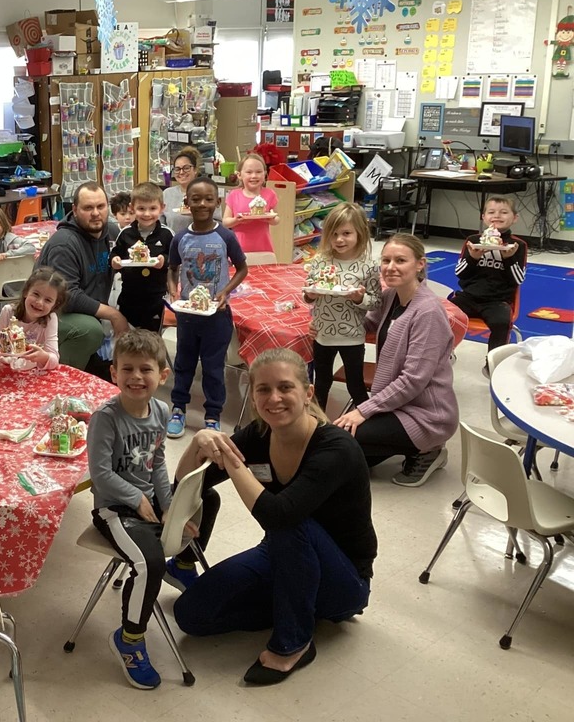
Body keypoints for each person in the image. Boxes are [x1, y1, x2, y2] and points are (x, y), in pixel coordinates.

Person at [170, 348, 376, 685]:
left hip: (344, 581)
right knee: (191, 615)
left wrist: (233, 462)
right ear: (253, 396)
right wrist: (199, 443)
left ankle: (293, 642)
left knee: (287, 523)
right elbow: (187, 484)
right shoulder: (260, 434)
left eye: (285, 387)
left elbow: (277, 516)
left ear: (307, 393)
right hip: (283, 556)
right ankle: (292, 603)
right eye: (263, 389)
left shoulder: (336, 449)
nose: (274, 398)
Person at [88, 329, 184, 690]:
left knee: (199, 503)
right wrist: (137, 500)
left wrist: (170, 507)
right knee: (148, 563)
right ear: (114, 373)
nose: (136, 377)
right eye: (127, 368)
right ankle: (128, 640)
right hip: (114, 509)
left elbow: (157, 464)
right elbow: (100, 475)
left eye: (145, 369)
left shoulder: (159, 410)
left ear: (162, 375)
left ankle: (182, 566)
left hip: (145, 501)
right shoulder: (105, 418)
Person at [333, 234, 459, 487]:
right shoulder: (391, 296)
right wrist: (330, 321)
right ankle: (391, 444)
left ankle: (427, 450)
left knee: (344, 439)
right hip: (396, 405)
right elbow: (368, 324)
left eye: (400, 260)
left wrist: (363, 411)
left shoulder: (428, 313)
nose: (390, 267)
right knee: (342, 453)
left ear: (420, 264)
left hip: (427, 415)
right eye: (386, 260)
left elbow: (413, 380)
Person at [166, 176, 248, 438]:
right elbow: (172, 268)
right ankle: (178, 408)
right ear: (186, 202)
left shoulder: (226, 235)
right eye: (196, 199)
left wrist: (224, 291)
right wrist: (172, 290)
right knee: (183, 364)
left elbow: (242, 268)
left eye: (208, 199)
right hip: (189, 316)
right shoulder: (180, 238)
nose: (202, 203)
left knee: (214, 368)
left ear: (218, 202)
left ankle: (213, 415)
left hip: (218, 316)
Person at [38, 182, 129, 374]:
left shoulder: (112, 233)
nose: (96, 213)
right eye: (88, 208)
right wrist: (113, 314)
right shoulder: (64, 244)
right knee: (89, 330)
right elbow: (67, 297)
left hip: (90, 312)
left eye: (100, 206)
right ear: (75, 210)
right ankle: (61, 379)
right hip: (48, 313)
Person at [303, 203, 381, 411]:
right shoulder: (320, 261)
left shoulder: (368, 266)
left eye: (346, 233)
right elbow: (308, 296)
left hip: (352, 336)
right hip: (323, 334)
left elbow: (376, 301)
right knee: (321, 383)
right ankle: (316, 426)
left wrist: (358, 299)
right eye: (334, 234)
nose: (339, 239)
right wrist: (310, 295)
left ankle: (365, 425)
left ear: (360, 233)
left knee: (355, 385)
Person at [449, 195, 527, 373]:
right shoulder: (473, 240)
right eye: (491, 212)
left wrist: (508, 258)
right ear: (483, 217)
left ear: (514, 218)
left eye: (504, 212)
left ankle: (493, 363)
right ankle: (443, 353)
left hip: (497, 301)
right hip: (468, 296)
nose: (497, 216)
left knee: (501, 322)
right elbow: (459, 273)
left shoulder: (517, 245)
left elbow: (518, 280)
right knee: (441, 314)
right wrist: (473, 258)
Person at [109, 182, 172, 333]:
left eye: (153, 208)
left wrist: (164, 260)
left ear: (162, 208)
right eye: (141, 208)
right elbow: (115, 253)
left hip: (156, 298)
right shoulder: (125, 233)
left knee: (152, 339)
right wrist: (115, 261)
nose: (147, 214)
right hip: (129, 296)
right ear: (132, 208)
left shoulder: (166, 234)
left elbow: (175, 259)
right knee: (128, 339)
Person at [0, 267, 67, 371]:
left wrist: (44, 357)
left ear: (55, 305)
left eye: (48, 300)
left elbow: (54, 360)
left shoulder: (50, 319)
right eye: (36, 294)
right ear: (26, 292)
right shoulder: (8, 311)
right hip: (4, 369)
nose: (40, 302)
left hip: (32, 374)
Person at [221, 153, 280, 254]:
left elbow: (277, 219)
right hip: (238, 248)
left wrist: (271, 219)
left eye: (259, 172)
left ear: (265, 174)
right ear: (239, 175)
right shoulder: (234, 195)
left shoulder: (270, 194)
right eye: (249, 172)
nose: (254, 176)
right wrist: (237, 220)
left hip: (263, 247)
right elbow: (225, 222)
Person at [162, 146, 202, 235]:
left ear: (195, 170)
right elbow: (160, 224)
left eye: (186, 168)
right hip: (172, 244)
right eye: (177, 169)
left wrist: (198, 215)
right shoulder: (167, 194)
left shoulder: (205, 193)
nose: (181, 172)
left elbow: (219, 224)